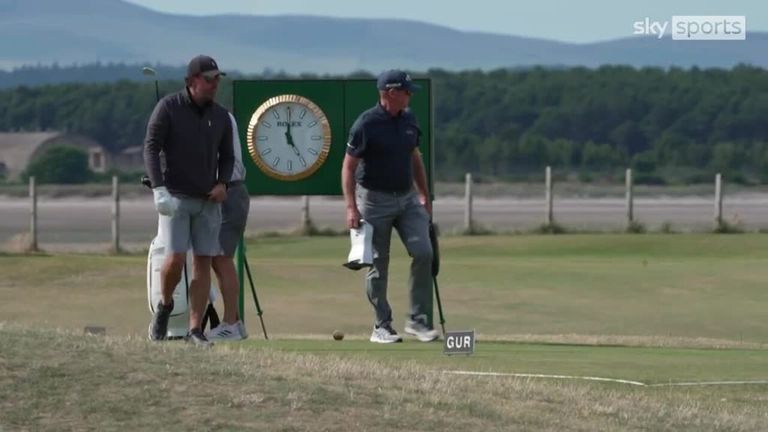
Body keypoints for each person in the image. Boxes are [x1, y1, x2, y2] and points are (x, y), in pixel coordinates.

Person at [341, 69, 439, 343]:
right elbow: (348, 168)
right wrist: (351, 208)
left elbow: (414, 158)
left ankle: (418, 321)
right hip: (373, 200)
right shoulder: (366, 124)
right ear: (391, 93)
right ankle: (381, 325)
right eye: (406, 91)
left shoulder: (408, 119)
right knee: (378, 264)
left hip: (407, 198)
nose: (410, 96)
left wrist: (424, 195)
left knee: (423, 252)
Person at [144, 54, 234, 347]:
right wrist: (159, 189)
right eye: (209, 79)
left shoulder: (220, 115)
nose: (214, 84)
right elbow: (151, 148)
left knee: (202, 264)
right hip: (177, 198)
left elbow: (228, 156)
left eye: (218, 79)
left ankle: (195, 329)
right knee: (174, 259)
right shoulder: (168, 108)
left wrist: (223, 183)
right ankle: (166, 304)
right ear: (192, 81)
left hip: (209, 200)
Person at [206, 112, 250, 341]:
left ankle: (230, 323)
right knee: (216, 258)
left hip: (229, 192)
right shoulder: (222, 115)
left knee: (221, 258)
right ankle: (236, 322)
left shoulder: (218, 117)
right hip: (228, 193)